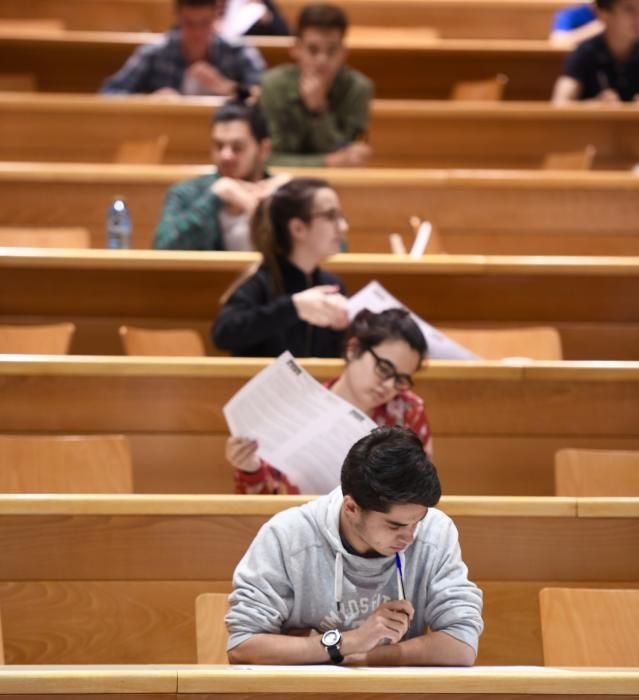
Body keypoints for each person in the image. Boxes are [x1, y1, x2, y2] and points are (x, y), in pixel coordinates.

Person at [225, 425, 483, 666]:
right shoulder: (288, 536)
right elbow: (242, 646)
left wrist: (359, 656)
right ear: (351, 508)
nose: (410, 537)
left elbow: (462, 644)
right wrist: (352, 641)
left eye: (418, 521)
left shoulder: (436, 532)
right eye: (394, 526)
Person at [227, 308, 433, 494]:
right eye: (384, 368)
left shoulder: (408, 411)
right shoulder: (297, 404)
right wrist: (250, 468)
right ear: (353, 349)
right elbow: (262, 507)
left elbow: (419, 493)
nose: (389, 386)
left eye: (401, 379)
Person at [212, 177, 348, 356]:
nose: (344, 226)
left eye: (340, 216)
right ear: (298, 228)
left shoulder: (331, 285)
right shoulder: (260, 282)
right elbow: (223, 333)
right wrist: (294, 307)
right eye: (331, 216)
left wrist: (345, 328)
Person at [153, 99, 289, 250]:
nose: (225, 156)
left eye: (237, 147)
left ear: (264, 149)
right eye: (218, 146)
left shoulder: (283, 193)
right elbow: (163, 246)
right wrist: (213, 198)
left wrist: (276, 205)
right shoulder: (186, 193)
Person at [258, 3, 373, 167]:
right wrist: (328, 161)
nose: (322, 60)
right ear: (296, 49)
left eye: (332, 50)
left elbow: (352, 158)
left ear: (343, 53)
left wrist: (319, 111)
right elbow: (268, 159)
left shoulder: (358, 89)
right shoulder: (272, 85)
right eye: (313, 50)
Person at [100, 0, 264, 96]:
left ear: (216, 15)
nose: (197, 33)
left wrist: (229, 88)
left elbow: (267, 97)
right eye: (189, 23)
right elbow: (109, 93)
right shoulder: (154, 51)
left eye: (204, 23)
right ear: (177, 17)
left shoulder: (239, 51)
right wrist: (150, 100)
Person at [551, 0, 639, 102]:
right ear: (603, 13)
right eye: (629, 9)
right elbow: (559, 103)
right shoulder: (584, 53)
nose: (638, 17)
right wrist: (592, 106)